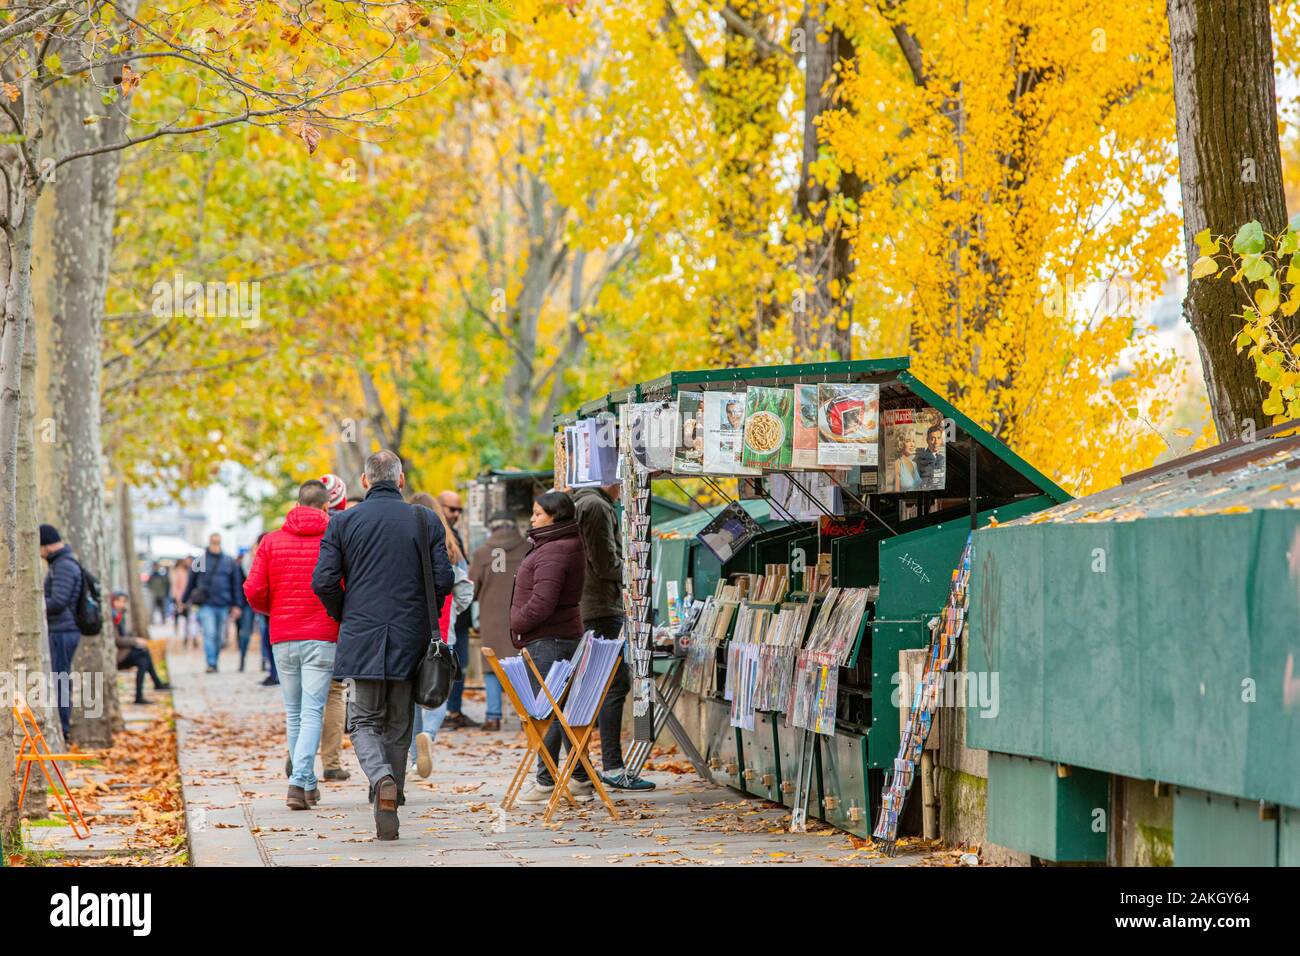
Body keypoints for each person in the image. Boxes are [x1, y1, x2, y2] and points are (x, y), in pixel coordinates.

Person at [312, 450, 453, 840]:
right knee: (399, 724)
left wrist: (347, 612)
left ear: (364, 481)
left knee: (361, 721)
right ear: (402, 480)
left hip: (362, 636)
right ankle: (390, 796)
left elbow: (323, 581)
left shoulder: (343, 522)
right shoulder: (425, 520)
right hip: (412, 637)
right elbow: (444, 579)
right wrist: (423, 613)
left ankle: (380, 779)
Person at [245, 480, 340, 811]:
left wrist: (273, 611)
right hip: (323, 634)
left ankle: (308, 782)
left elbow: (253, 589)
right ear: (326, 507)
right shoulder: (334, 539)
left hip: (283, 634)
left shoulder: (271, 542)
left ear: (297, 503)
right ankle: (298, 782)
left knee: (295, 711)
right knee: (314, 709)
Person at [571, 483, 654, 792]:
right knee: (614, 684)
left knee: (592, 688)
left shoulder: (584, 502)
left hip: (591, 607)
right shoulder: (597, 506)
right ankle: (611, 766)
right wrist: (637, 572)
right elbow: (605, 562)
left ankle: (582, 768)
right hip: (600, 608)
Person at [512, 492, 590, 805]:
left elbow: (544, 602)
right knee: (559, 711)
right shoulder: (556, 545)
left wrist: (518, 620)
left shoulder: (555, 549)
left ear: (554, 516)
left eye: (538, 514)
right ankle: (581, 777)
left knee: (549, 711)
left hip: (550, 639)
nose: (533, 519)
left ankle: (545, 781)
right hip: (555, 636)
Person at [406, 492, 473, 777]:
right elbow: (465, 587)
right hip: (442, 628)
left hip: (408, 629)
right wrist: (455, 610)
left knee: (409, 693)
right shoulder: (450, 546)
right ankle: (430, 736)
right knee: (437, 685)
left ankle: (412, 758)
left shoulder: (403, 543)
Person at [468, 511, 529, 732]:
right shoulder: (527, 549)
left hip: (491, 619)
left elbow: (471, 589)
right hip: (521, 616)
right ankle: (525, 716)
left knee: (491, 667)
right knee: (520, 667)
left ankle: (493, 716)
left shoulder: (482, 553)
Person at [316, 473, 350, 782]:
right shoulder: (347, 529)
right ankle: (331, 762)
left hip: (292, 629)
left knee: (302, 697)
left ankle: (296, 756)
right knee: (335, 694)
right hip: (334, 626)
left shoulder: (277, 536)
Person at [40, 525, 84, 741]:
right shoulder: (61, 563)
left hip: (63, 630)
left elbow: (58, 601)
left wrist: (35, 604)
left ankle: (64, 728)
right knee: (61, 677)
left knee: (60, 678)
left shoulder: (64, 566)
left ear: (46, 545)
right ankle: (63, 725)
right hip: (63, 629)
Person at [437, 488, 476, 730]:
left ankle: (453, 710)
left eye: (460, 510)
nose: (456, 514)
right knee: (445, 666)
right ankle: (445, 713)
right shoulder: (441, 535)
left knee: (458, 665)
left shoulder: (455, 535)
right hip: (447, 614)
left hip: (456, 615)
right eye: (452, 509)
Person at [184, 533, 244, 673]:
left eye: (217, 542)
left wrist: (237, 605)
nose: (215, 545)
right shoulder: (200, 561)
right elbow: (191, 582)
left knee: (219, 636)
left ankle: (214, 660)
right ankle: (211, 663)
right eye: (213, 542)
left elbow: (236, 585)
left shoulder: (229, 561)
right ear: (210, 542)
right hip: (206, 604)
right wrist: (184, 600)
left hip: (223, 603)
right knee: (209, 633)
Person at [111, 591, 170, 704]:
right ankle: (155, 685)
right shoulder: (112, 617)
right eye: (118, 601)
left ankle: (141, 694)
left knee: (143, 659)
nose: (121, 604)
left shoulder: (120, 615)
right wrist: (135, 641)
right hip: (117, 655)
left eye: (123, 601)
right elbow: (117, 640)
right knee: (144, 654)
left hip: (123, 652)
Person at [915, 423, 946, 489]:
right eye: (932, 439)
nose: (936, 442)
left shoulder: (941, 458)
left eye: (938, 438)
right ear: (927, 440)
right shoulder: (922, 458)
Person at [170, 557, 193, 644]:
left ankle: (186, 636)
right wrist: (177, 599)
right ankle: (182, 635)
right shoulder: (179, 571)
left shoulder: (187, 571)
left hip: (184, 598)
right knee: (181, 616)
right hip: (180, 598)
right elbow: (176, 586)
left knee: (186, 617)